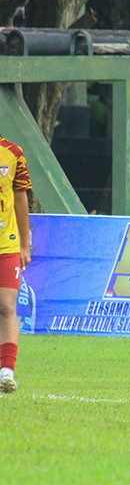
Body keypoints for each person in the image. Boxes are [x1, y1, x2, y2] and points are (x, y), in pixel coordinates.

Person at [0, 135, 32, 393]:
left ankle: (7, 372)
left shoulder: (13, 152)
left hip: (6, 245)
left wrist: (24, 244)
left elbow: (20, 197)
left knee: (6, 305)